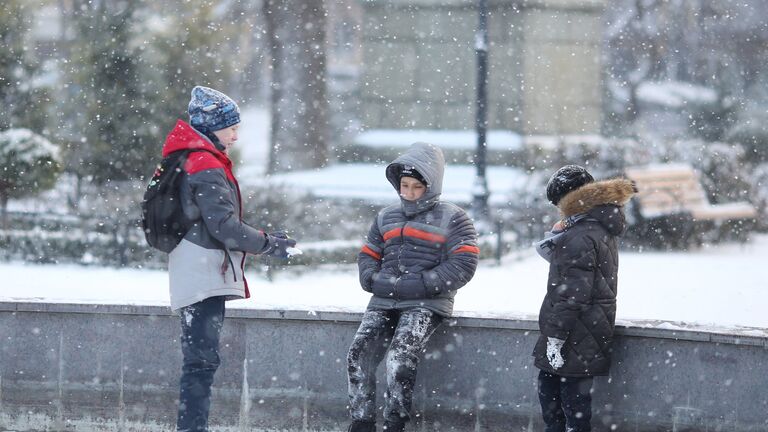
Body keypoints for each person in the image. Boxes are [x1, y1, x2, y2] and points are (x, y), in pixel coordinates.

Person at [164, 86, 297, 432]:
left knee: (200, 362)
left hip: (194, 267)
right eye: (230, 127)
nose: (236, 134)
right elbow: (224, 226)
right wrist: (268, 244)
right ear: (210, 127)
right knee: (201, 363)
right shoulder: (204, 162)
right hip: (203, 273)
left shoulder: (191, 156)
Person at [346, 142, 480, 432]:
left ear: (430, 186)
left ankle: (395, 424)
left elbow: (463, 265)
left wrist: (418, 285)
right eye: (403, 185)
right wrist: (371, 279)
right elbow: (368, 255)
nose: (407, 193)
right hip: (383, 300)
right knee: (358, 353)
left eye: (415, 187)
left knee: (400, 356)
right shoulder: (385, 216)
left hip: (426, 304)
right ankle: (361, 422)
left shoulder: (454, 218)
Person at [532, 165, 636, 432]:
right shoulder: (597, 227)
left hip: (571, 333)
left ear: (570, 200)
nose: (558, 210)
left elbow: (572, 294)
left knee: (558, 405)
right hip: (588, 329)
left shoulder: (579, 235)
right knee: (575, 407)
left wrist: (555, 338)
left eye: (559, 204)